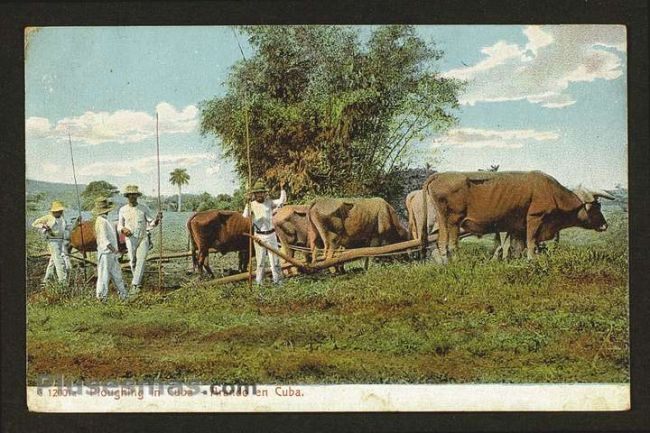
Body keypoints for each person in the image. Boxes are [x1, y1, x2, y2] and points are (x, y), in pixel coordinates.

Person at [117, 185, 162, 295]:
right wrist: (123, 229)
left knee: (141, 259)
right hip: (130, 239)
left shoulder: (143, 208)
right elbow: (119, 226)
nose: (133, 197)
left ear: (137, 196)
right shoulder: (123, 210)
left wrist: (157, 219)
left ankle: (135, 285)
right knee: (133, 261)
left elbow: (151, 223)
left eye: (135, 195)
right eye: (130, 195)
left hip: (143, 238)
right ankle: (137, 281)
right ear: (127, 196)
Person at [242, 179, 286, 286]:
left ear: (264, 193)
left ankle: (278, 282)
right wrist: (247, 204)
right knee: (260, 262)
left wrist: (282, 189)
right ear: (254, 194)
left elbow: (281, 201)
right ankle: (259, 283)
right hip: (259, 237)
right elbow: (244, 216)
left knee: (274, 260)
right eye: (257, 193)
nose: (259, 195)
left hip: (271, 235)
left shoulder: (269, 202)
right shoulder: (251, 205)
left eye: (261, 192)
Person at [93, 197, 128, 301]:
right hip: (106, 253)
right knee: (104, 276)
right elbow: (104, 240)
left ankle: (124, 296)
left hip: (111, 253)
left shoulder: (106, 220)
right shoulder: (101, 221)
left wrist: (114, 251)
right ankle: (101, 298)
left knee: (117, 275)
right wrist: (115, 250)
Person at [31, 201, 69, 285]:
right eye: (57, 211)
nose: (58, 212)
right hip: (53, 241)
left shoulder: (62, 219)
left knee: (53, 261)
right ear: (53, 211)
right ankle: (63, 282)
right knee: (59, 261)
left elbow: (66, 228)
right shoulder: (48, 217)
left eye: (60, 211)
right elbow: (34, 223)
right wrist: (43, 226)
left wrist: (76, 223)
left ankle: (46, 280)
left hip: (60, 241)